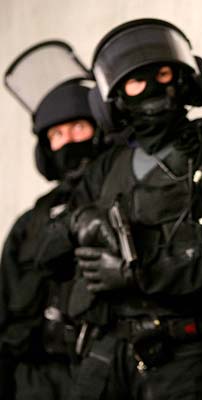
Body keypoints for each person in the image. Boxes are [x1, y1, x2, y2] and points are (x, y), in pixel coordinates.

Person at [59, 18, 202, 400]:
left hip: (187, 358)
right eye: (137, 81)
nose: (154, 89)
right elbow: (48, 246)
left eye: (162, 74)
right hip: (107, 354)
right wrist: (80, 222)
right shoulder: (106, 166)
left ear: (186, 78)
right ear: (115, 97)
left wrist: (139, 272)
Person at [1, 41, 106, 400]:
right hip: (34, 380)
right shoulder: (31, 223)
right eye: (56, 135)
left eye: (78, 127)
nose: (68, 141)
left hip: (100, 374)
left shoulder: (122, 199)